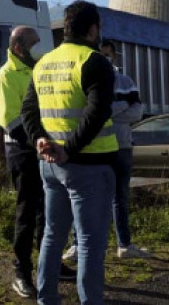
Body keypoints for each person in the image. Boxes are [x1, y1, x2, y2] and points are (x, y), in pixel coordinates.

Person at [22, 0, 117, 305]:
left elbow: (28, 112)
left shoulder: (43, 63)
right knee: (89, 242)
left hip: (50, 166)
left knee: (52, 235)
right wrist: (69, 149)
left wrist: (38, 140)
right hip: (87, 166)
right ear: (93, 29)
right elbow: (96, 113)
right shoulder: (94, 61)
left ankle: (47, 299)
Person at [0, 26, 74, 298]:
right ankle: (21, 273)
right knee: (27, 214)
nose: (40, 49)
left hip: (44, 150)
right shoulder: (5, 77)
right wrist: (38, 142)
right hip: (22, 152)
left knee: (48, 213)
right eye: (34, 44)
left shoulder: (38, 70)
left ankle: (51, 265)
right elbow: (11, 122)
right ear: (18, 47)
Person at [64, 40, 150, 262]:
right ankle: (77, 245)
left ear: (114, 56)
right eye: (100, 54)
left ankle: (124, 244)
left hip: (121, 146)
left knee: (120, 197)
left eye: (107, 54)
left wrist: (106, 113)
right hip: (95, 147)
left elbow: (138, 113)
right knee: (84, 198)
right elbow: (85, 113)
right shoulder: (84, 79)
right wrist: (120, 108)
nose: (104, 58)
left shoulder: (125, 82)